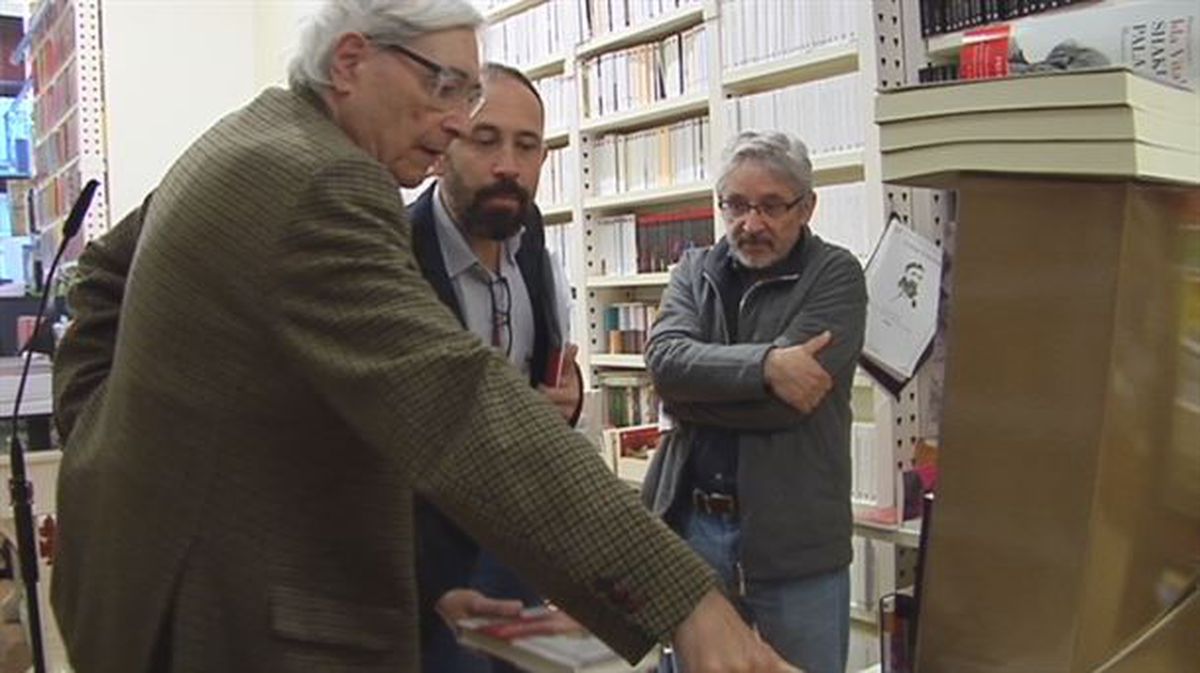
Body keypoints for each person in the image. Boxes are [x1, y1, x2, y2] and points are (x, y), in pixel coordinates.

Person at [48, 2, 798, 672]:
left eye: (467, 93)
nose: (456, 119)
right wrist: (685, 601)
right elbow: (456, 404)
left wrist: (102, 446)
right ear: (350, 63)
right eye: (444, 87)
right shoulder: (324, 182)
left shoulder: (248, 136)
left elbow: (100, 281)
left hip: (145, 581)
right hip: (222, 624)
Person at [642, 129, 868, 673]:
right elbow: (665, 363)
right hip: (693, 532)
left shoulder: (836, 274)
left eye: (771, 206)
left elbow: (789, 403)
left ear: (806, 207)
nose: (751, 224)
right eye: (737, 205)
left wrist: (695, 394)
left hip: (796, 541)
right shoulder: (694, 271)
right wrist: (768, 367)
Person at [405, 63, 583, 673]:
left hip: (518, 546)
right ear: (438, 150)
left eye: (527, 145)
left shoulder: (531, 238)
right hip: (425, 564)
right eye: (486, 141)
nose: (508, 163)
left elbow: (547, 378)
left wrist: (571, 396)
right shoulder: (391, 255)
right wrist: (428, 581)